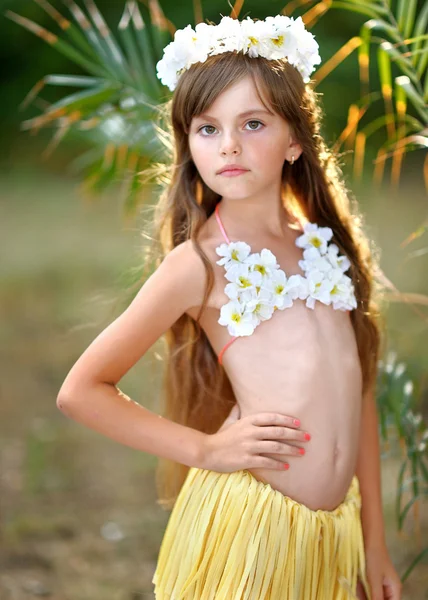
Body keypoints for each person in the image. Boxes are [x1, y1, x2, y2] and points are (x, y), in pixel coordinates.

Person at [56, 13, 402, 600]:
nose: (230, 146)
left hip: (334, 533)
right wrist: (206, 449)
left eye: (253, 123)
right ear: (189, 142)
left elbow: (359, 390)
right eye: (208, 129)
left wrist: (374, 545)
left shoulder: (322, 244)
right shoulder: (201, 262)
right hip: (255, 530)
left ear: (295, 140)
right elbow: (81, 390)